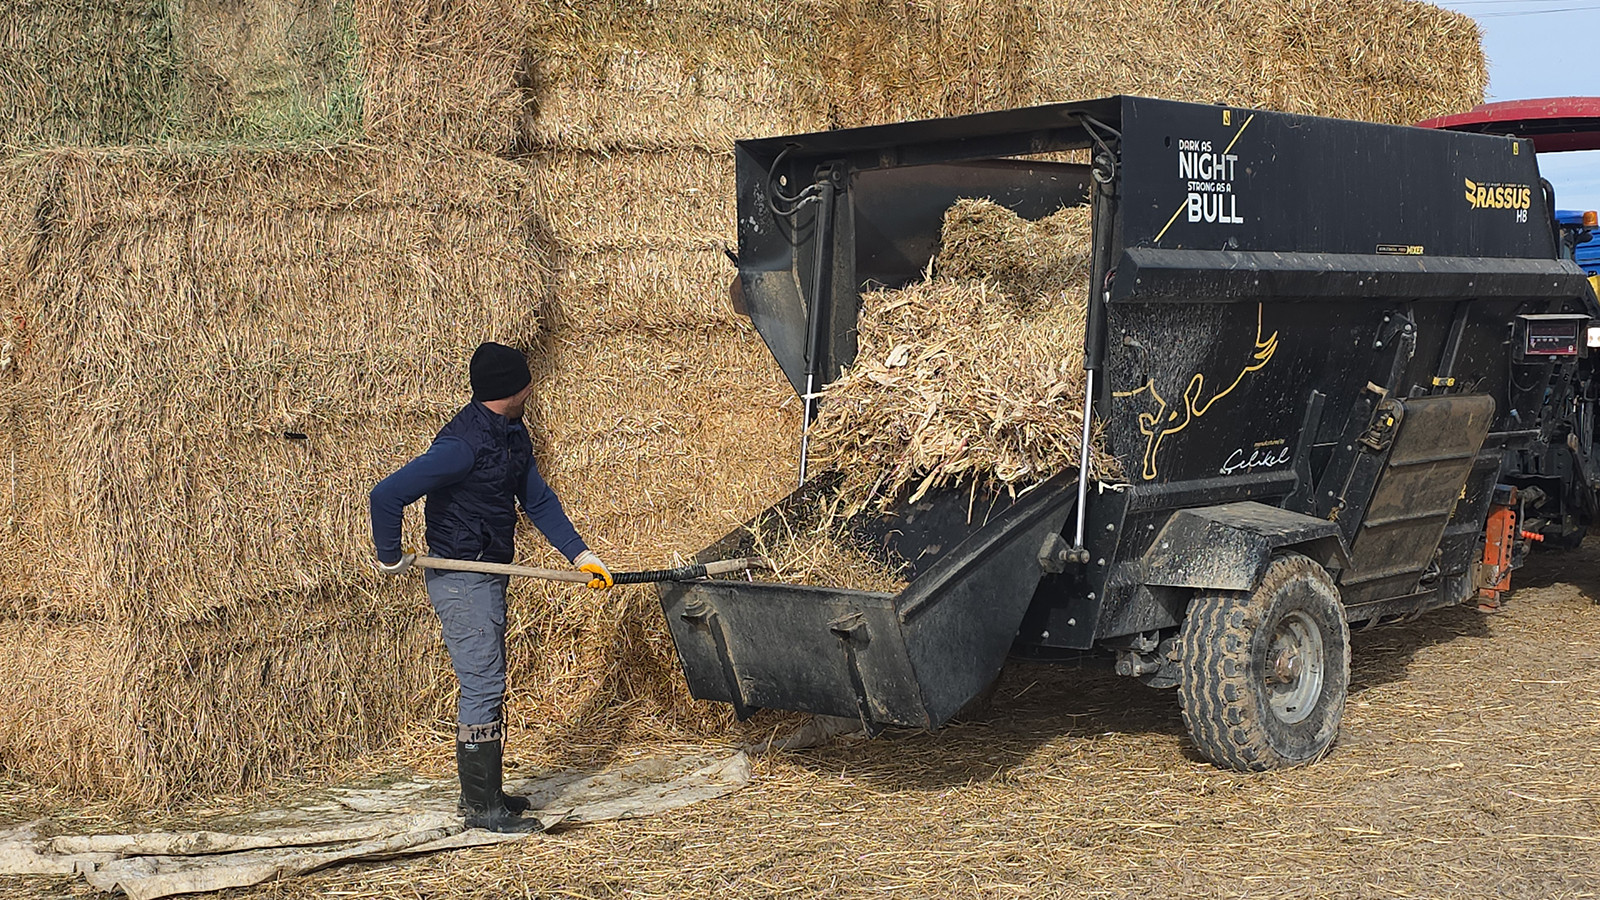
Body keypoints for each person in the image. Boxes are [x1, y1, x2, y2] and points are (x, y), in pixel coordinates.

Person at [369, 341, 612, 833]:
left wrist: (581, 555)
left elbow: (538, 501)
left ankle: (487, 791)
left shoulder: (511, 433)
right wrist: (390, 557)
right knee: (482, 685)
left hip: (488, 571)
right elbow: (386, 495)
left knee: (490, 682)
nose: (531, 387)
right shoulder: (461, 447)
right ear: (512, 388)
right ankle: (481, 809)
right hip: (461, 577)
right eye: (527, 382)